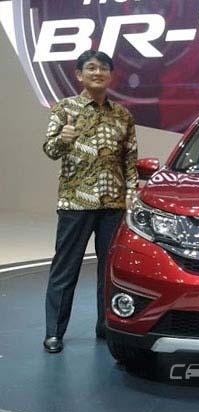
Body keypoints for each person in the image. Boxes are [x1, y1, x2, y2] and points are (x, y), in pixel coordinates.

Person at [42, 50, 138, 353]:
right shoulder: (65, 109)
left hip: (113, 205)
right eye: (91, 68)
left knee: (109, 271)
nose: (98, 73)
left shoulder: (122, 115)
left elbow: (130, 160)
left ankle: (106, 325)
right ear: (79, 75)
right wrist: (63, 139)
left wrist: (131, 195)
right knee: (65, 269)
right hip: (75, 204)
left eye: (103, 68)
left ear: (110, 75)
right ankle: (54, 332)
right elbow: (50, 150)